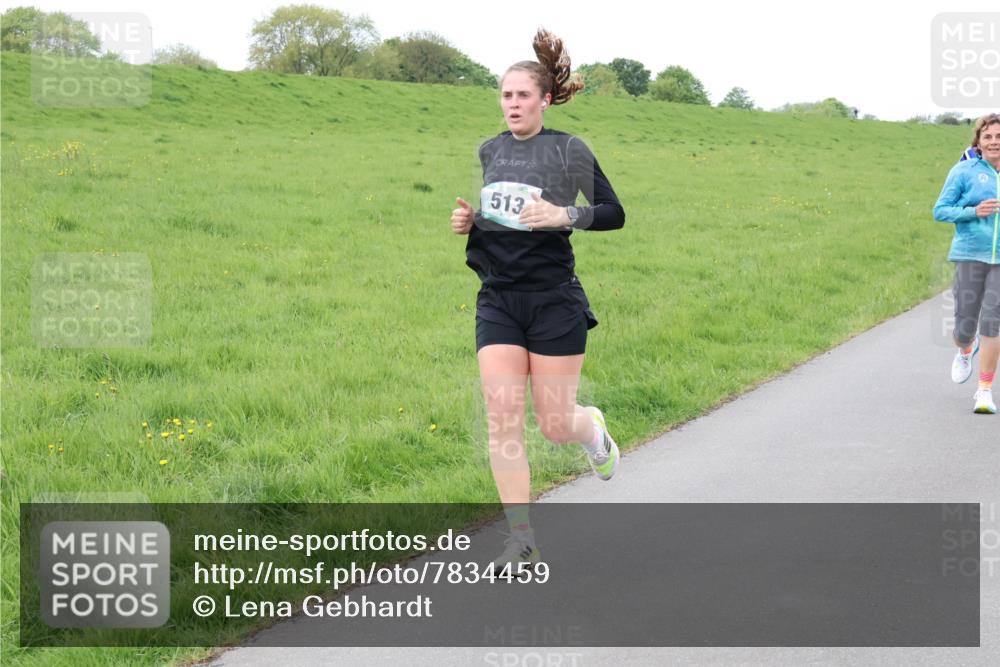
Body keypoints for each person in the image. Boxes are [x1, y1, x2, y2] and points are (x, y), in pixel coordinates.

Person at [449, 28, 626, 570]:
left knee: (553, 424)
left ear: (545, 99)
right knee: (502, 419)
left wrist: (564, 214)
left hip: (554, 302)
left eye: (522, 95)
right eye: (505, 95)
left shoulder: (569, 149)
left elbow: (614, 212)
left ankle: (591, 428)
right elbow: (504, 219)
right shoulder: (490, 150)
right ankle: (521, 537)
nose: (512, 104)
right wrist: (470, 221)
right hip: (498, 299)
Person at [933, 112, 1000, 414]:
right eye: (988, 136)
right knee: (965, 324)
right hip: (970, 253)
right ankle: (964, 348)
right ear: (979, 141)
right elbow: (941, 210)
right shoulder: (964, 172)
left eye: (999, 137)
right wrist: (974, 211)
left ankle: (984, 391)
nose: (994, 142)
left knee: (992, 322)